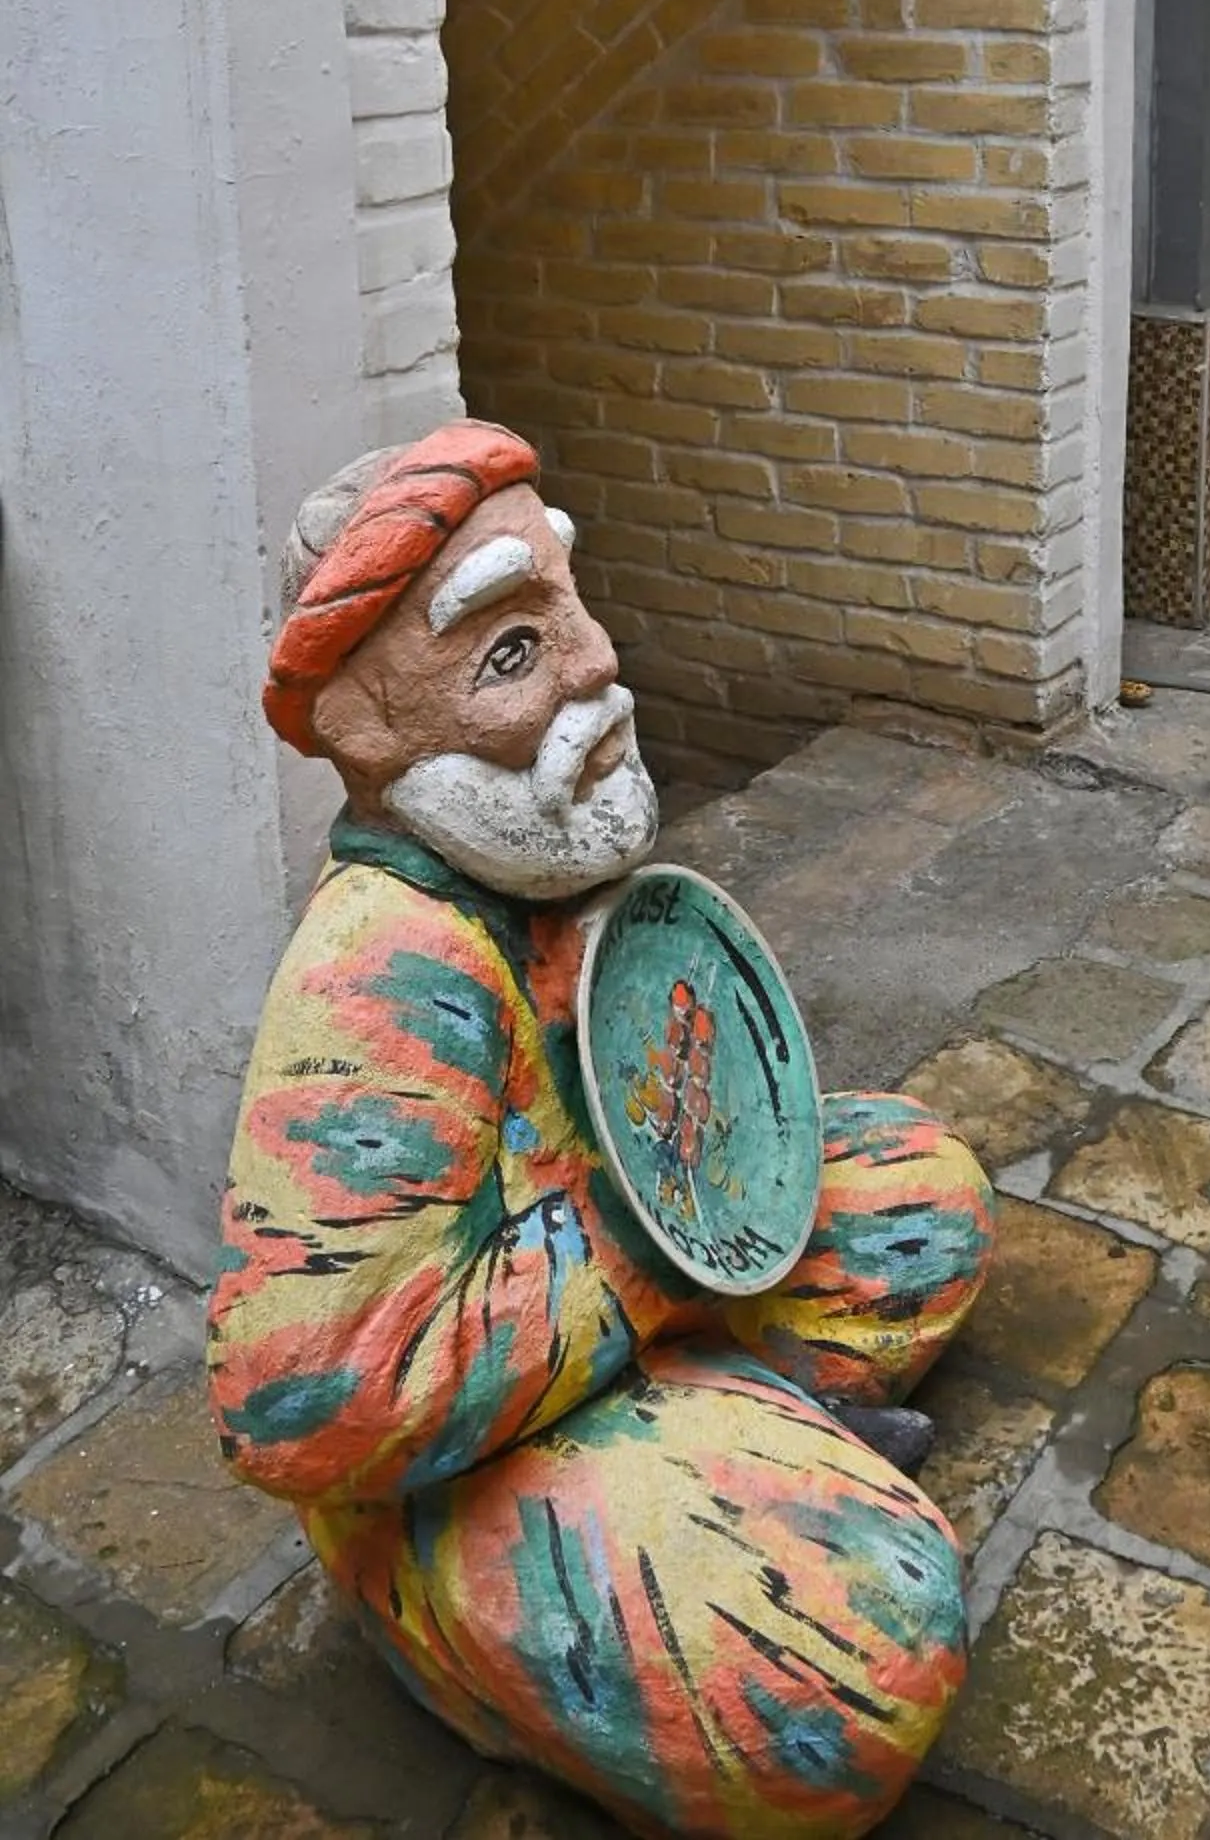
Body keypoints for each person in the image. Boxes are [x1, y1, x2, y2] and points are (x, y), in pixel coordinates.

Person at [208, 422, 993, 1839]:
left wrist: (705, 1123)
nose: (594, 664)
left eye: (566, 600)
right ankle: (482, 1630)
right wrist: (640, 1237)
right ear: (371, 737)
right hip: (450, 1464)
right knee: (855, 1657)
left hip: (608, 1323)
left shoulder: (528, 865)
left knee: (922, 1196)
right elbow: (298, 1403)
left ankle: (731, 1428)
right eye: (509, 653)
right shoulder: (385, 969)